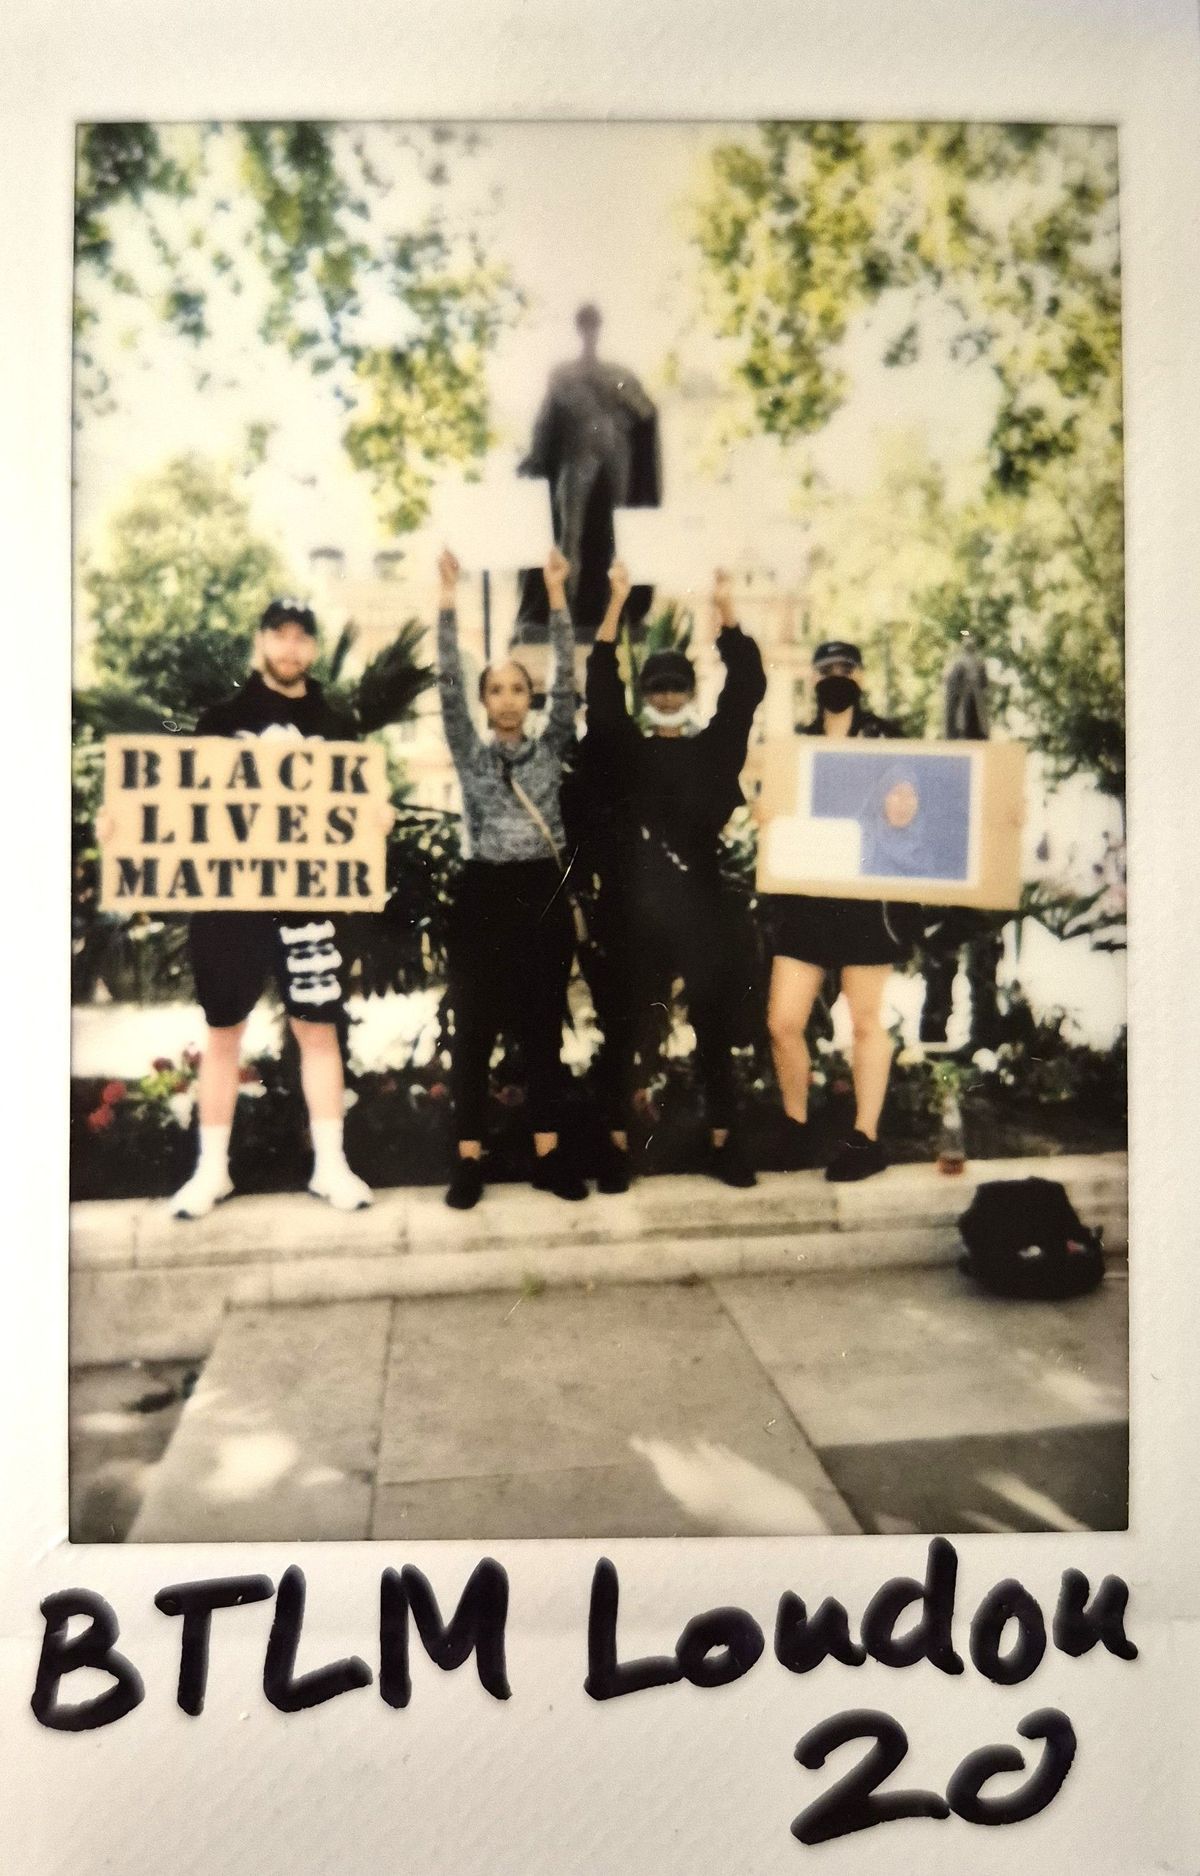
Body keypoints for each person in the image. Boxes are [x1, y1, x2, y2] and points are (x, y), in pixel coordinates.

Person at [169, 598, 376, 1219]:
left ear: (312, 648)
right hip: (230, 903)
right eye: (278, 635)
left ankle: (331, 1167)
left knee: (318, 1030)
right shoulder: (222, 719)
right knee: (223, 1033)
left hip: (307, 902)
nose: (289, 648)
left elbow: (358, 811)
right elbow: (175, 804)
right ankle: (211, 1172)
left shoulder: (336, 725)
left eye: (300, 638)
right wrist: (124, 824)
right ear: (260, 642)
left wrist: (377, 816)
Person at [580, 562, 766, 1190]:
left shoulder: (714, 751)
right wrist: (615, 602)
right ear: (646, 694)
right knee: (626, 1028)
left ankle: (724, 1141)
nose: (664, 696)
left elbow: (746, 688)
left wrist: (725, 608)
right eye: (655, 687)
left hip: (700, 907)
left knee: (712, 1028)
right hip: (635, 908)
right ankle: (614, 1145)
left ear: (689, 691)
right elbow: (600, 683)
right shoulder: (624, 749)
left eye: (675, 686)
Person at [436, 544, 586, 1210]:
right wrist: (446, 597)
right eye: (494, 689)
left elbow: (570, 678)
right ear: (483, 699)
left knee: (542, 1032)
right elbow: (445, 680)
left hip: (540, 897)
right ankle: (469, 1160)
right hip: (482, 897)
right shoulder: (469, 753)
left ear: (531, 698)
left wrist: (557, 593)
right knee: (473, 1033)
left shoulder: (551, 746)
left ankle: (548, 1158)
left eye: (517, 688)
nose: (505, 699)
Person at [761, 640, 910, 1182]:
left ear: (861, 678)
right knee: (783, 1021)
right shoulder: (797, 745)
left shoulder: (889, 740)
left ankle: (866, 1137)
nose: (837, 677)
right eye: (827, 670)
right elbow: (777, 815)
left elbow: (912, 811)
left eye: (846, 669)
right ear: (813, 679)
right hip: (808, 900)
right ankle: (796, 1129)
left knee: (866, 1022)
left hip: (867, 902)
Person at [515, 304, 661, 640]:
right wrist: (536, 457)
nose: (589, 332)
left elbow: (646, 412)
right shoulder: (562, 375)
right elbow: (545, 422)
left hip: (616, 456)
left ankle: (615, 611)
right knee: (570, 535)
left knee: (620, 535)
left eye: (593, 325)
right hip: (575, 458)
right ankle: (562, 610)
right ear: (580, 329)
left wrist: (621, 410)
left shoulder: (619, 374)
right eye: (585, 326)